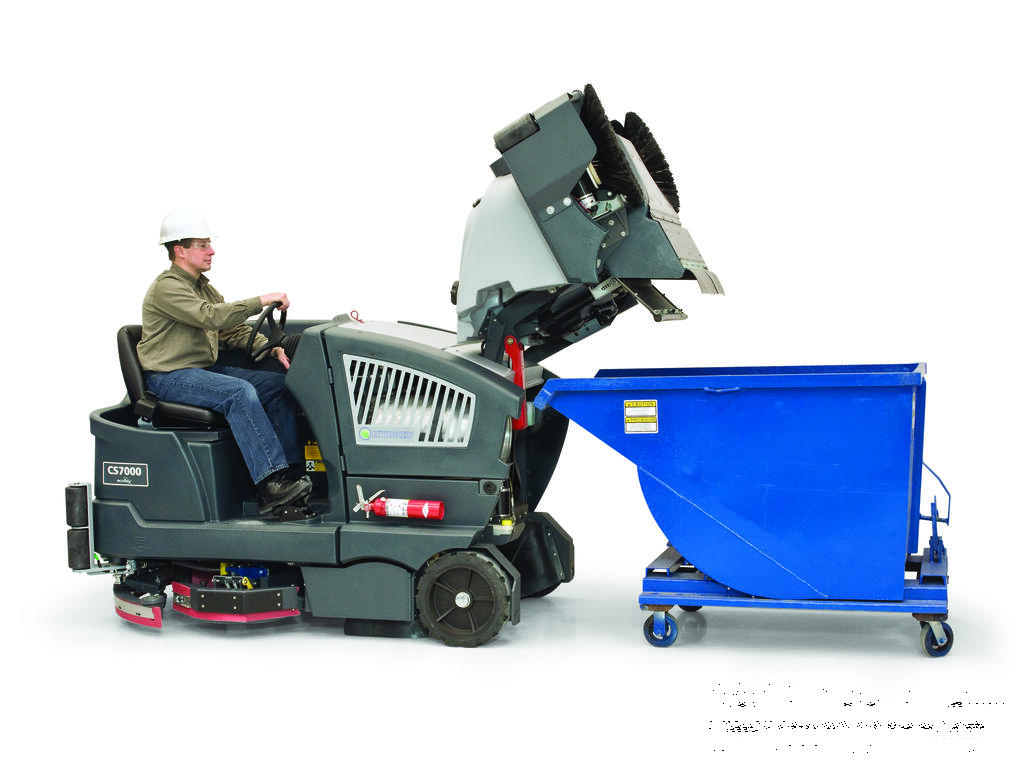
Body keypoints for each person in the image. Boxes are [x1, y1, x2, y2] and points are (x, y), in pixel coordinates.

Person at [138, 211, 313, 520]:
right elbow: (211, 317)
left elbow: (230, 330)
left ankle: (289, 475)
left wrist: (271, 348)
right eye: (202, 245)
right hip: (168, 378)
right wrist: (261, 300)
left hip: (201, 372)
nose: (211, 251)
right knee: (238, 392)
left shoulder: (202, 288)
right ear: (179, 250)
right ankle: (270, 484)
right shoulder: (167, 288)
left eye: (209, 244)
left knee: (280, 386)